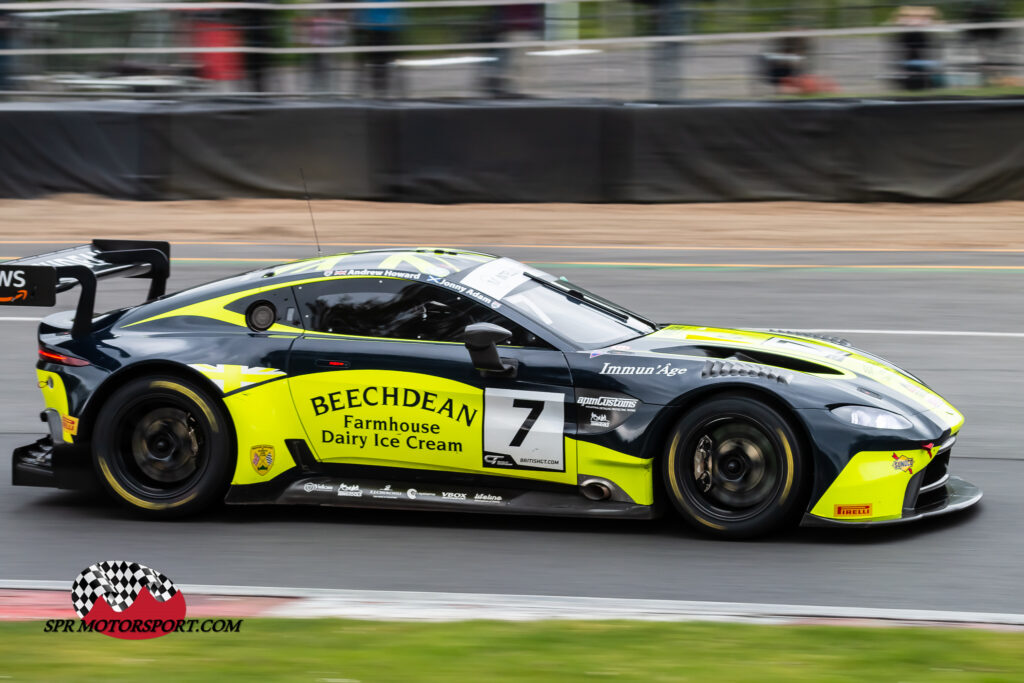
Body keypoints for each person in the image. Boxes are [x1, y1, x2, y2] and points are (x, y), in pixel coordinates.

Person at [354, 0, 404, 97]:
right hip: (384, 31)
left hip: (374, 30)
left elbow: (361, 11)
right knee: (382, 63)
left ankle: (378, 89)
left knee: (377, 62)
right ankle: (381, 89)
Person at [888, 6, 944, 91]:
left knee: (918, 66)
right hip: (911, 54)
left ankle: (917, 82)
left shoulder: (917, 28)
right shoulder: (907, 26)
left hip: (915, 54)